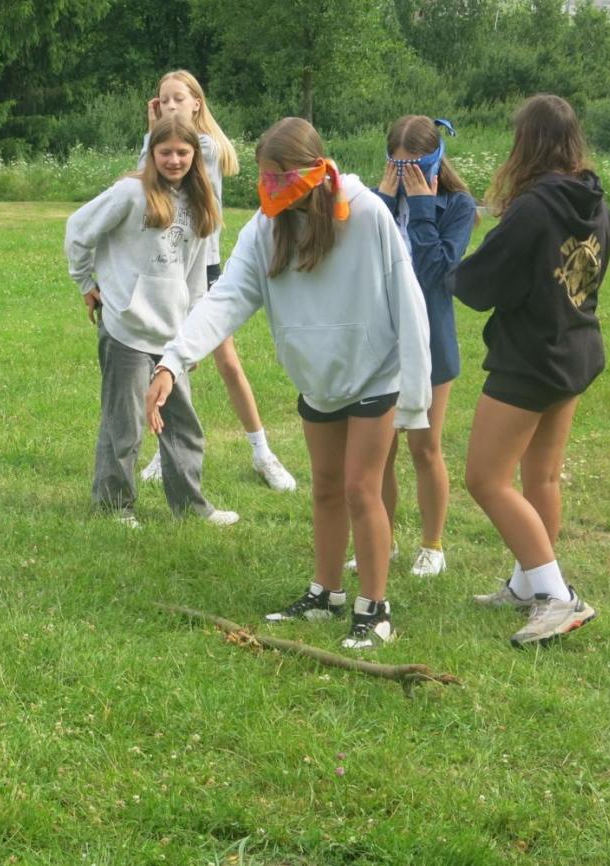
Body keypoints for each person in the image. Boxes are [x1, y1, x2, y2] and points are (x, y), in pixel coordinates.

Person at [146, 118, 431, 649]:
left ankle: (375, 607)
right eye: (263, 176)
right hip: (318, 378)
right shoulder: (265, 226)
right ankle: (325, 593)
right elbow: (226, 298)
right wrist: (172, 360)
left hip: (374, 373)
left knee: (360, 489)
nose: (270, 187)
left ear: (313, 169)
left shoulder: (366, 216)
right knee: (325, 488)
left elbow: (409, 304)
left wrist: (415, 402)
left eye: (279, 176)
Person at [453, 94, 610, 647]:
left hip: (530, 360)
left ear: (527, 144)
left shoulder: (534, 208)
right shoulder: (595, 200)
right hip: (573, 350)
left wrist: (445, 267)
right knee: (539, 476)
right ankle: (526, 585)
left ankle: (557, 596)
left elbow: (479, 285)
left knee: (485, 478)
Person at [65, 113, 238, 528]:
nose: (174, 160)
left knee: (183, 426)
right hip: (126, 327)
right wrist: (85, 281)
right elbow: (78, 230)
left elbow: (196, 276)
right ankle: (114, 506)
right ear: (152, 153)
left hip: (170, 334)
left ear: (195, 155)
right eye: (166, 152)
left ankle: (192, 508)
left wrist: (191, 336)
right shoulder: (131, 193)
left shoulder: (200, 203)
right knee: (124, 425)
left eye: (183, 152)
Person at [135, 71, 297, 493]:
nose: (170, 107)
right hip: (171, 268)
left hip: (203, 270)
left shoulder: (202, 148)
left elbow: (170, 182)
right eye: (163, 101)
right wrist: (149, 136)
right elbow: (143, 188)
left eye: (178, 100)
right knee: (170, 362)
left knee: (225, 361)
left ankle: (263, 452)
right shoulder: (163, 146)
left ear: (196, 105)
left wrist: (155, 138)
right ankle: (162, 453)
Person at [353, 116, 476, 578]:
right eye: (398, 167)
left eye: (417, 167)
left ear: (435, 162)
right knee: (378, 449)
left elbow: (438, 273)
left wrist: (422, 209)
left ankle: (433, 545)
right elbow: (359, 261)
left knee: (424, 446)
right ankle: (379, 540)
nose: (408, 177)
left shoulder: (458, 206)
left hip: (431, 341)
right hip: (381, 340)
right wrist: (384, 201)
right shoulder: (375, 201)